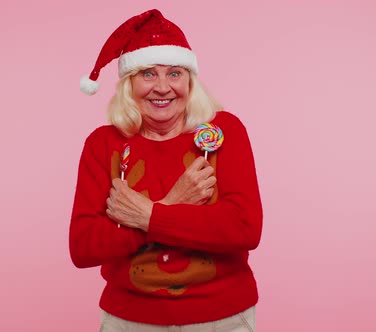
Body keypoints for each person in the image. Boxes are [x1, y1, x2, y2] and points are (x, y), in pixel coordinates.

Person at [70, 9, 263, 331]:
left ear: (190, 80)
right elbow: (84, 246)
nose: (162, 87)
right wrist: (174, 202)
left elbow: (244, 228)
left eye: (174, 73)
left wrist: (145, 215)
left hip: (222, 318)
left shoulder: (225, 130)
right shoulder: (104, 144)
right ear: (129, 83)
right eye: (148, 74)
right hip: (129, 319)